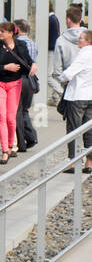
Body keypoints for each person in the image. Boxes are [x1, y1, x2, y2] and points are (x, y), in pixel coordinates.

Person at [0, 20, 32, 164]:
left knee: (10, 118)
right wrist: (5, 68)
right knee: (1, 117)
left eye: (2, 31)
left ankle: (10, 145)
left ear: (10, 33)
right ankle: (4, 150)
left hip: (15, 84)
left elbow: (28, 61)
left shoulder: (21, 45)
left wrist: (34, 65)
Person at [54, 27, 92, 173]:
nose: (79, 39)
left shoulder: (84, 54)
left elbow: (68, 74)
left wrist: (62, 79)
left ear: (88, 41)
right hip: (90, 96)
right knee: (89, 129)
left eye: (81, 38)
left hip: (77, 96)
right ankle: (89, 162)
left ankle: (73, 161)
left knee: (73, 129)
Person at [13, 18, 39, 152]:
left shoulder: (16, 44)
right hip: (30, 81)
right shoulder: (33, 44)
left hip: (19, 80)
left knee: (17, 110)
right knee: (24, 110)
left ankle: (24, 140)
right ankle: (30, 137)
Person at [53, 5, 86, 91]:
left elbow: (57, 70)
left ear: (68, 20)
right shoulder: (89, 37)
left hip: (70, 86)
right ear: (80, 19)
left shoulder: (61, 40)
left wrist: (63, 80)